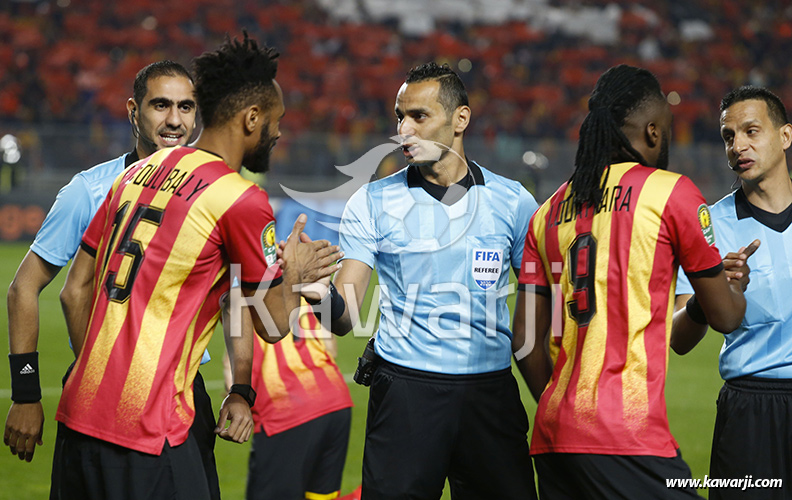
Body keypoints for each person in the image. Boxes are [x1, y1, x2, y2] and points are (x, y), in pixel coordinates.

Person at [50, 33, 340, 500]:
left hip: (79, 419)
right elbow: (272, 323)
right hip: (149, 433)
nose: (280, 132)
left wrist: (102, 377)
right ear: (252, 119)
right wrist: (297, 273)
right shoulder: (240, 199)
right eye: (276, 120)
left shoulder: (137, 172)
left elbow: (74, 289)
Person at [515, 64, 747, 499]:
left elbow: (525, 342)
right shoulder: (670, 193)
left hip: (552, 436)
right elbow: (727, 316)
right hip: (626, 434)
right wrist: (734, 285)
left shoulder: (546, 213)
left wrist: (562, 407)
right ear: (654, 132)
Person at [318, 62, 539, 499]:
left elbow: (538, 311)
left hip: (490, 395)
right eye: (400, 116)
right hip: (405, 395)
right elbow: (342, 317)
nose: (403, 129)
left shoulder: (513, 202)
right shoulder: (373, 201)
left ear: (461, 119)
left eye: (419, 116)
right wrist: (315, 291)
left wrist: (550, 395)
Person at [674, 85, 792, 500]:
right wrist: (710, 298)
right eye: (728, 136)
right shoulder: (709, 224)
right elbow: (678, 338)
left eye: (751, 131)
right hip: (750, 412)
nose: (738, 145)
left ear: (785, 136)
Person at [242, 300, 353, 500]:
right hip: (335, 401)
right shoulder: (303, 291)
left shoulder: (242, 297)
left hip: (285, 411)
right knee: (321, 496)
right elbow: (331, 348)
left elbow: (239, 365)